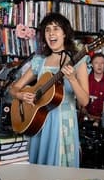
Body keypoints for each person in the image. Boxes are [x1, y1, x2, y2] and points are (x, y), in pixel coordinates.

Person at [9, 12, 90, 167]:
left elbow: (84, 101)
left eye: (56, 29)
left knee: (58, 177)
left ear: (65, 33)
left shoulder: (78, 60)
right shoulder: (40, 61)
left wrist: (72, 79)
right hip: (38, 121)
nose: (51, 33)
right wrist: (20, 95)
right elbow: (14, 88)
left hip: (62, 123)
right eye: (47, 30)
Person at [84, 53, 104, 119]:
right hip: (86, 119)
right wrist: (87, 115)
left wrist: (102, 118)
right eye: (96, 63)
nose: (99, 65)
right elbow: (80, 102)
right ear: (92, 65)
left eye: (102, 63)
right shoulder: (85, 81)